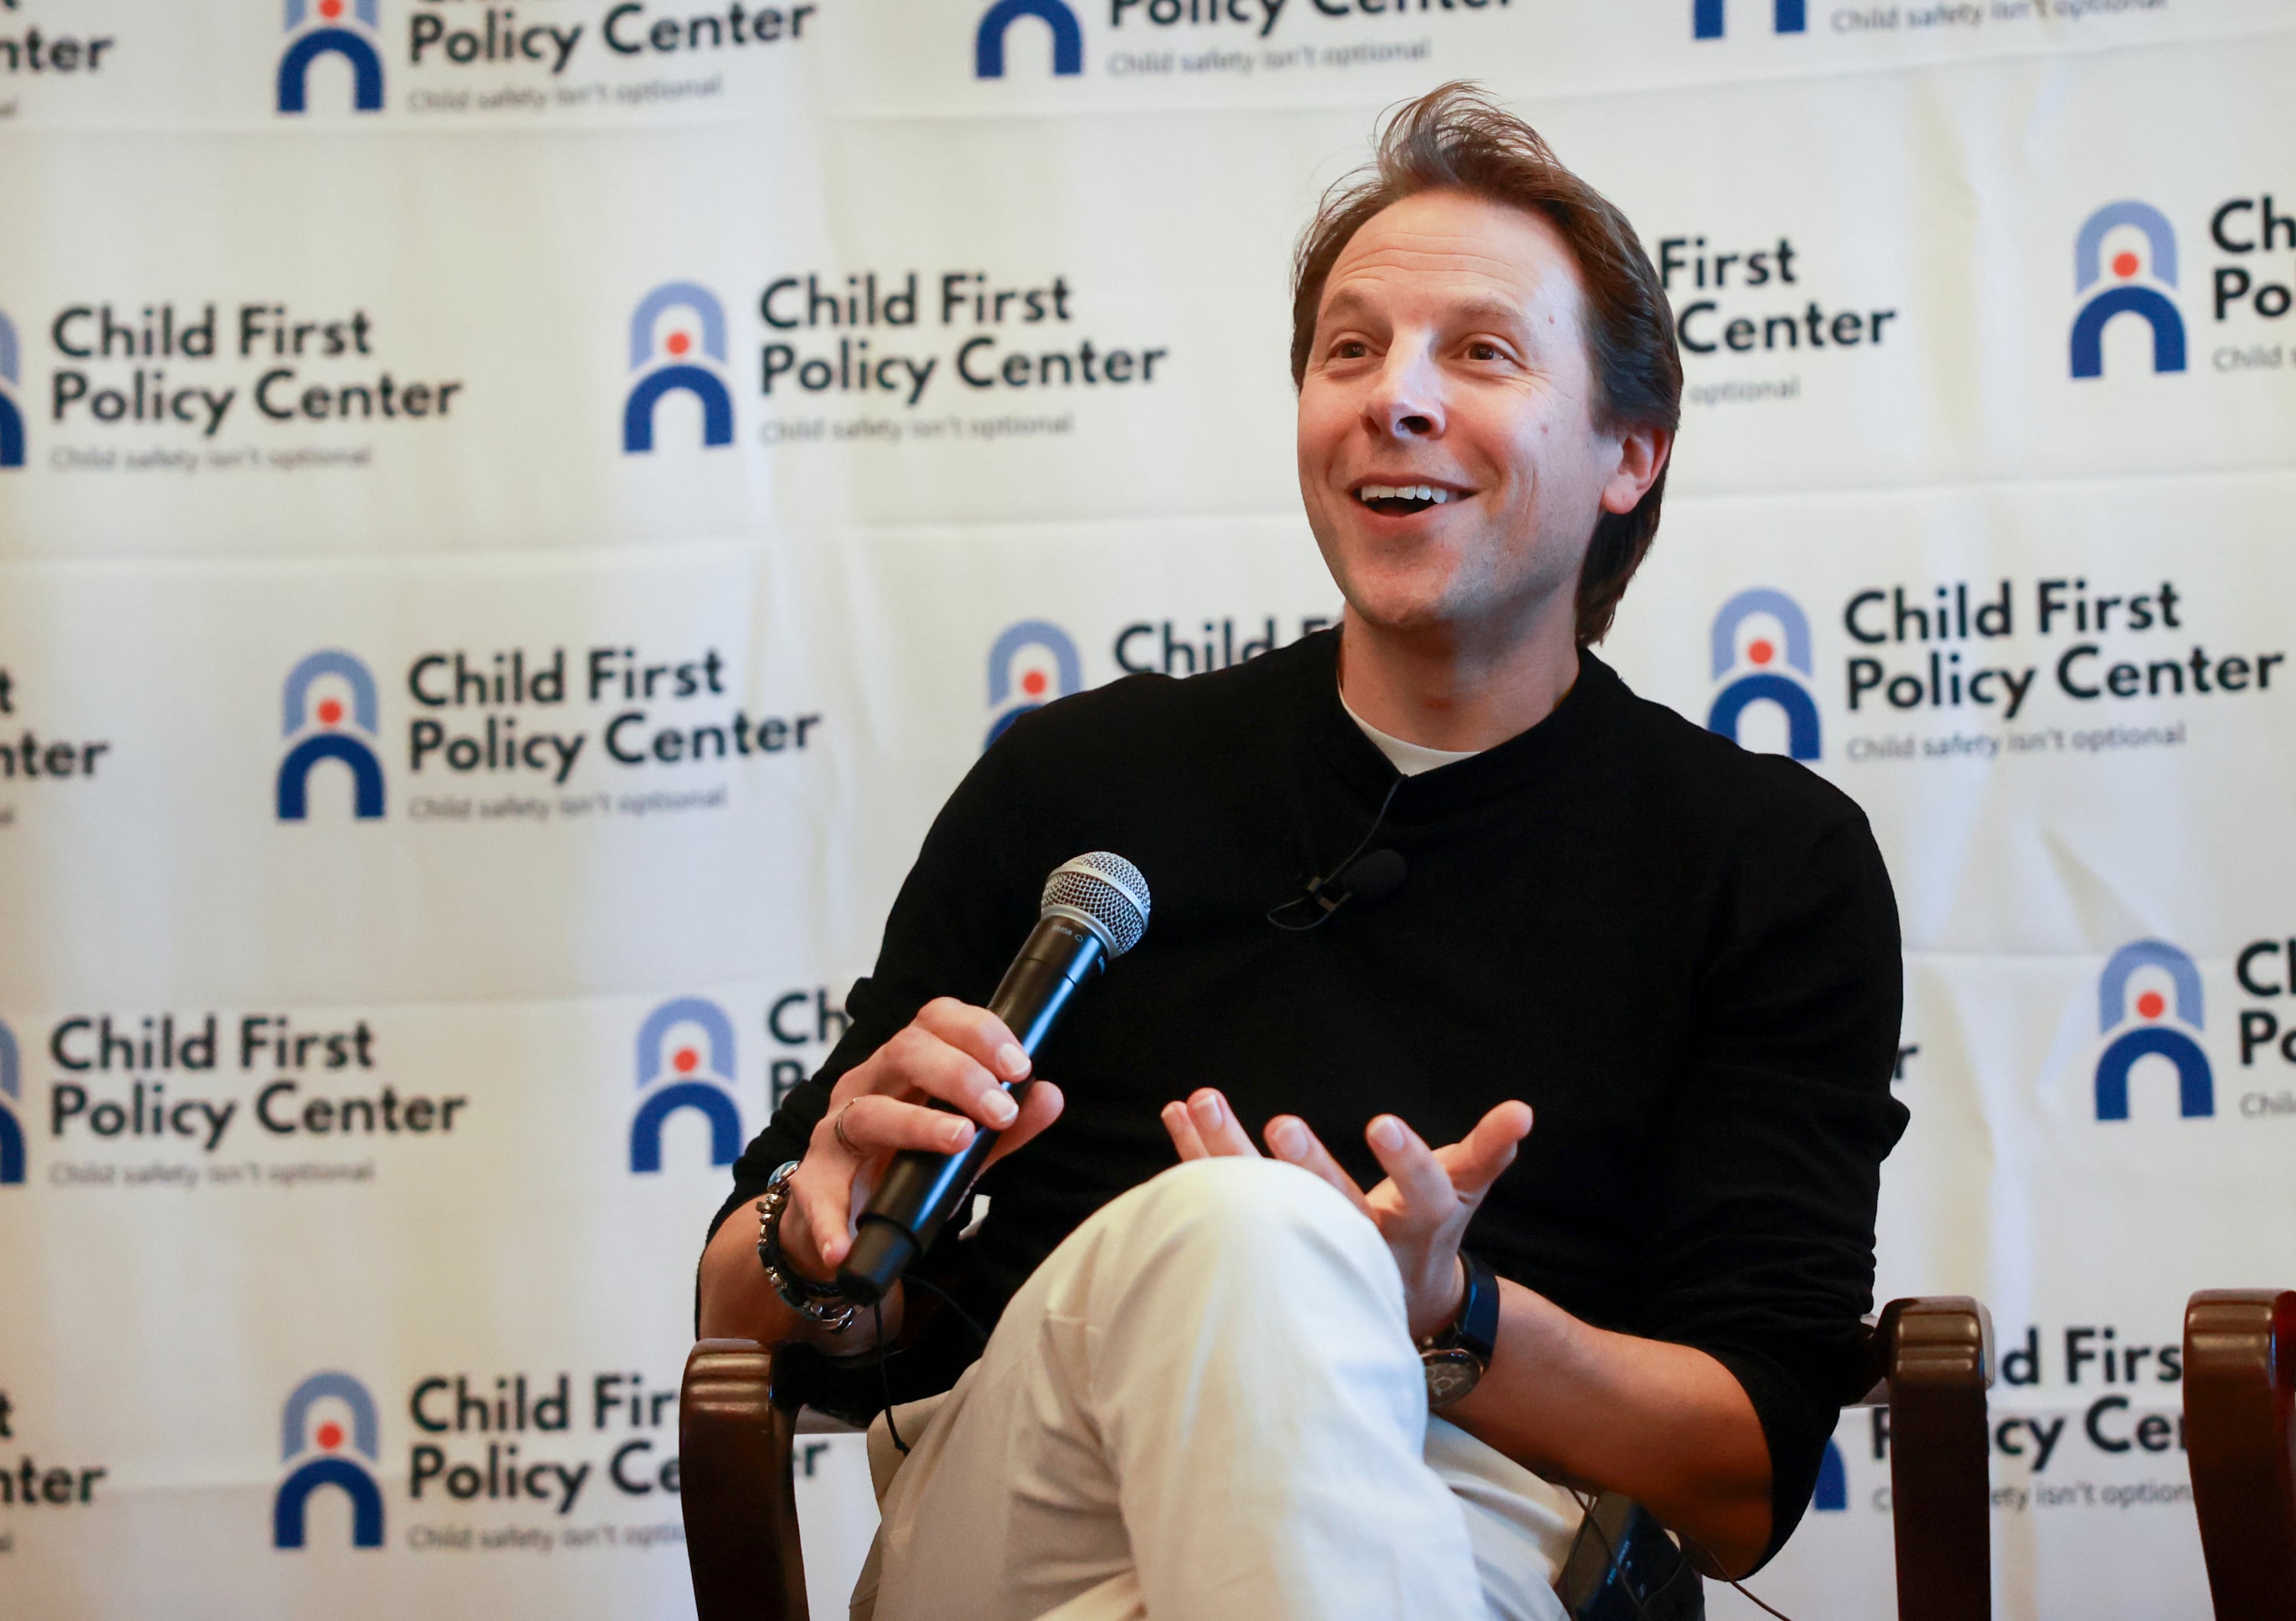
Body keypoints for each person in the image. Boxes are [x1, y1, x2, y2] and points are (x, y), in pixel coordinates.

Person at [698, 81, 1906, 1621]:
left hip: (1481, 1529)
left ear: (1630, 454)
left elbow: (1742, 1479)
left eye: (1480, 352)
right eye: (1351, 350)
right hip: (1037, 1503)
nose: (1395, 398)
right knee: (1246, 1229)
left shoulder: (1766, 860)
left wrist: (1442, 1312)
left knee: (1262, 1259)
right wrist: (813, 1242)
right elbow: (738, 1307)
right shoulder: (1079, 785)